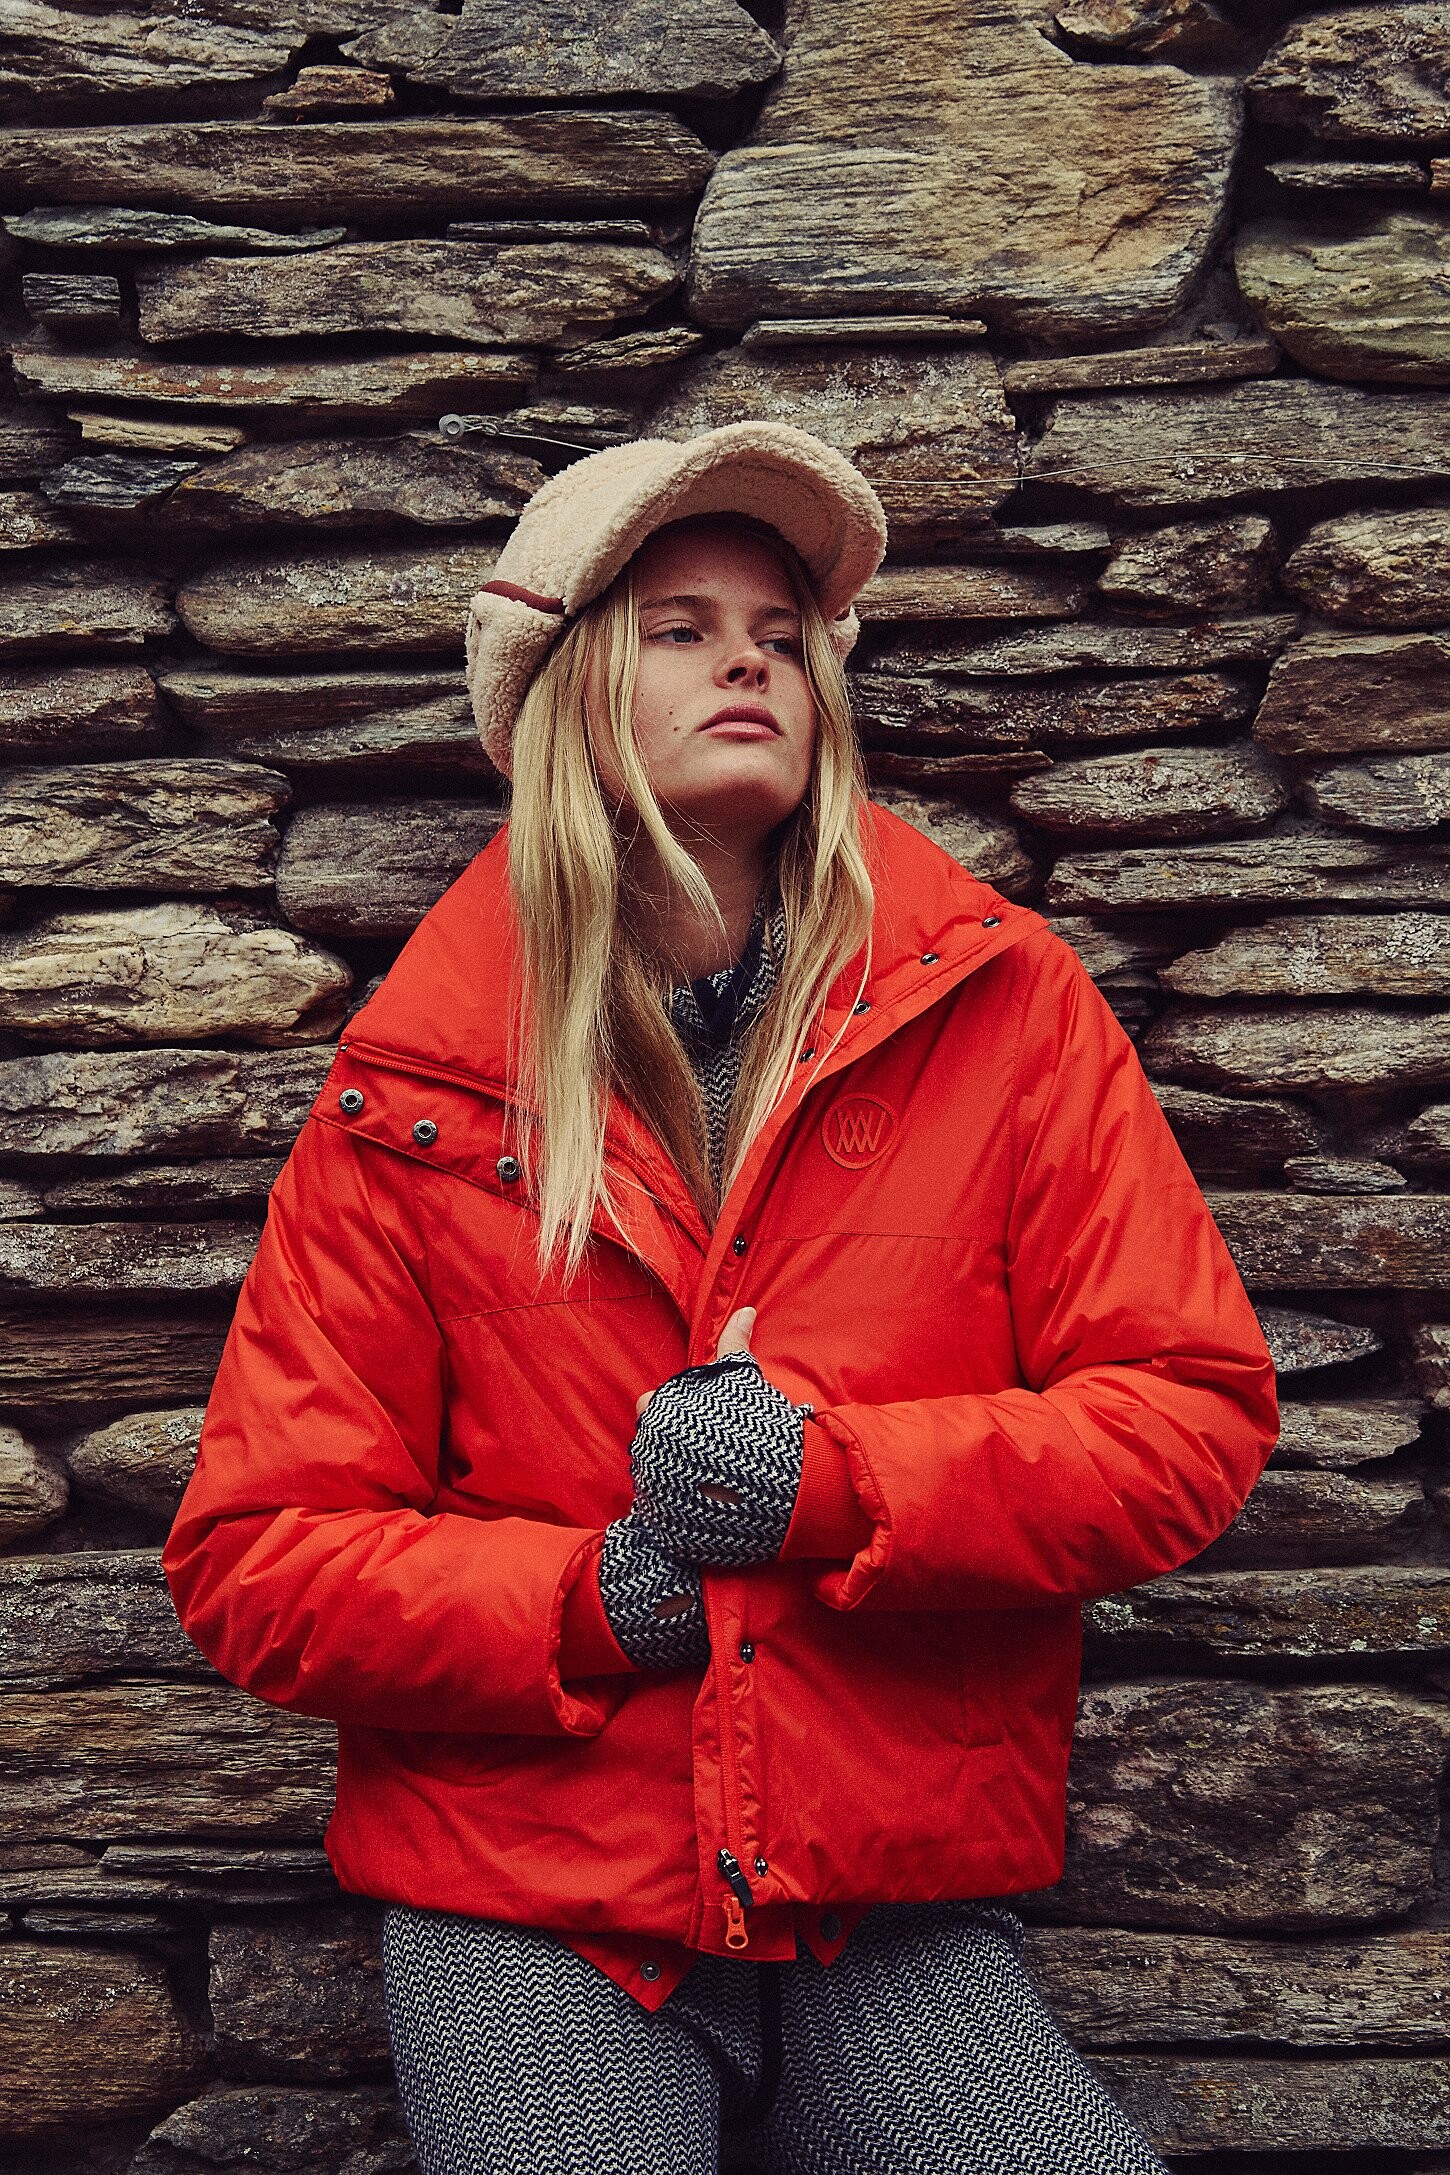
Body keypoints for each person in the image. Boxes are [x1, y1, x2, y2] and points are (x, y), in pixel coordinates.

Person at [164, 422, 1279, 2174]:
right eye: (677, 628)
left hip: (882, 1897)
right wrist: (593, 1601)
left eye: (779, 631)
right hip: (529, 1904)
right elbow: (257, 1559)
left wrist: (834, 1485)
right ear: (568, 691)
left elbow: (1186, 1418)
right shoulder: (415, 1086)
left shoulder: (1005, 1009)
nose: (746, 661)